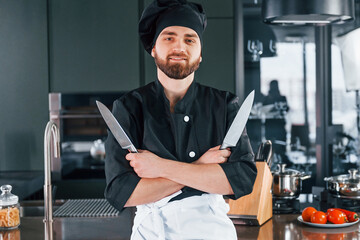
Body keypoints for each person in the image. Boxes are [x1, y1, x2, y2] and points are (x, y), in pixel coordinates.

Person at [104, 0, 257, 239]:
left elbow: (242, 180)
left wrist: (159, 168)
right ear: (153, 48)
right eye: (169, 37)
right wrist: (202, 170)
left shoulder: (225, 105)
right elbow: (122, 193)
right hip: (153, 233)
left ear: (200, 53)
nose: (179, 47)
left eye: (189, 39)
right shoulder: (129, 108)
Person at [262, 80, 291, 166]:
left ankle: (283, 165)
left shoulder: (281, 98)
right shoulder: (267, 99)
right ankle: (272, 166)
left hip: (279, 128)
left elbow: (286, 109)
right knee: (271, 150)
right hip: (271, 128)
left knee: (281, 149)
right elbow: (263, 111)